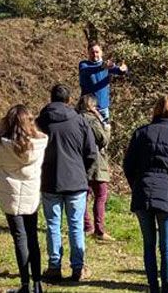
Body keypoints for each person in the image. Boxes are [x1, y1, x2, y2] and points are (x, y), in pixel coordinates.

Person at [123, 94, 168, 293]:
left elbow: (128, 165)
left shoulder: (141, 133)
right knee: (167, 249)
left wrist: (136, 186)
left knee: (149, 245)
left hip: (143, 191)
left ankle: (153, 287)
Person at [0, 104, 50, 293]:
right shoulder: (40, 144)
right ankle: (37, 284)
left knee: (19, 238)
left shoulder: (3, 146)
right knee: (33, 238)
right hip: (31, 195)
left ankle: (25, 285)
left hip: (10, 195)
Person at [37, 84, 98, 283]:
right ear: (68, 100)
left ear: (51, 98)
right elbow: (91, 153)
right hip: (76, 180)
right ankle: (78, 268)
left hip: (49, 180)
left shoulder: (41, 122)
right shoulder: (80, 121)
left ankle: (54, 267)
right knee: (76, 225)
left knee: (53, 225)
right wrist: (85, 174)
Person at [78, 94, 114, 241]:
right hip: (97, 163)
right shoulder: (92, 120)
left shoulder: (76, 118)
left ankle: (86, 226)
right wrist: (106, 127)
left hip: (80, 162)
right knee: (101, 195)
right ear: (92, 106)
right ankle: (98, 230)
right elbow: (103, 140)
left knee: (83, 196)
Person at [78, 42, 127, 123]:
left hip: (103, 109)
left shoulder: (105, 65)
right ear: (88, 53)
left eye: (97, 52)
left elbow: (118, 70)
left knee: (104, 133)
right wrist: (102, 67)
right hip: (88, 109)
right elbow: (87, 71)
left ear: (101, 52)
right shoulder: (84, 65)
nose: (94, 54)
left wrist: (123, 69)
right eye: (92, 52)